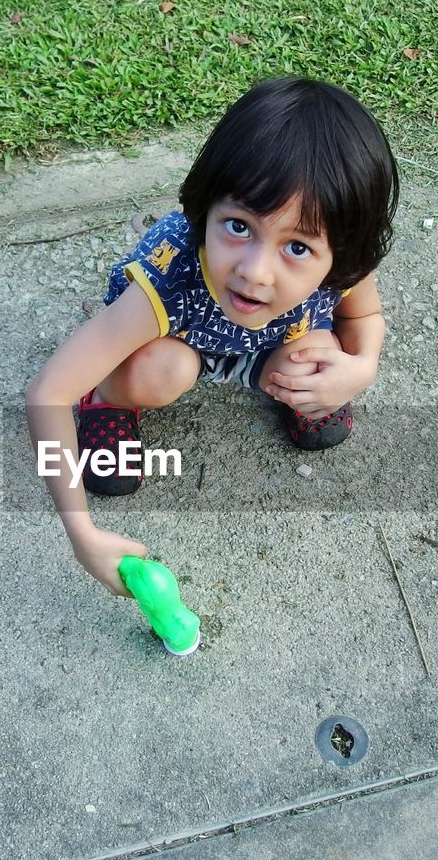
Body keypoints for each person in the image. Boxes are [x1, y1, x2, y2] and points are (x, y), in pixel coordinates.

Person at [26, 76, 400, 596]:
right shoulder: (171, 277)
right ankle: (108, 399)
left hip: (270, 337)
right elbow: (48, 393)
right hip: (177, 336)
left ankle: (289, 380)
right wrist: (79, 531)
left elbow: (364, 319)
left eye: (297, 248)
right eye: (239, 226)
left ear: (343, 251)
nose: (255, 272)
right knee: (161, 371)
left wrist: (361, 369)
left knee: (321, 357)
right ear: (206, 209)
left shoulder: (343, 260)